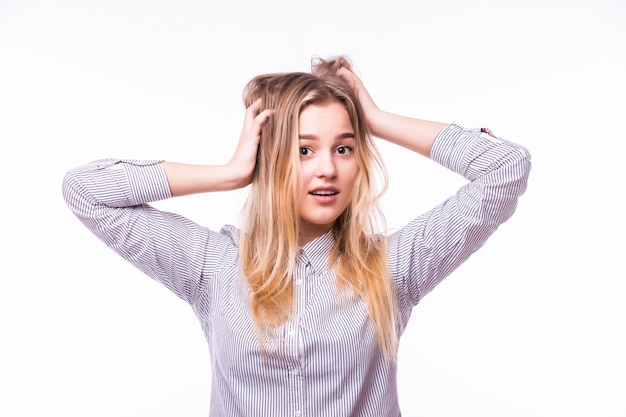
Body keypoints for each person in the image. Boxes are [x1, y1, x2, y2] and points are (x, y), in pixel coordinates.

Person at [62, 56, 531, 417]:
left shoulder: (392, 266)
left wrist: (377, 118)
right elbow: (85, 191)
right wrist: (229, 173)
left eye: (344, 147)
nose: (327, 168)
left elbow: (505, 169)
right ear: (270, 157)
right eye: (303, 149)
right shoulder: (214, 265)